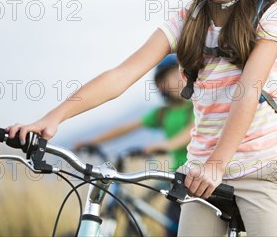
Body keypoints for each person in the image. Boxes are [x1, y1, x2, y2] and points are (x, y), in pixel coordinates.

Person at [8, 0, 277, 237]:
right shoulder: (185, 21)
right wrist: (51, 118)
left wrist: (217, 164)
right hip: (200, 173)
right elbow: (120, 76)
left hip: (262, 169)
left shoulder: (270, 12)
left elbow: (248, 89)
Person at [74, 54, 193, 237]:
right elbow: (125, 128)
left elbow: (194, 130)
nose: (179, 79)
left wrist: (165, 145)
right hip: (175, 175)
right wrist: (92, 141)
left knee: (178, 224)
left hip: (194, 176)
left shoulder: (194, 107)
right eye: (172, 76)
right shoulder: (162, 113)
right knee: (143, 206)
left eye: (181, 75)